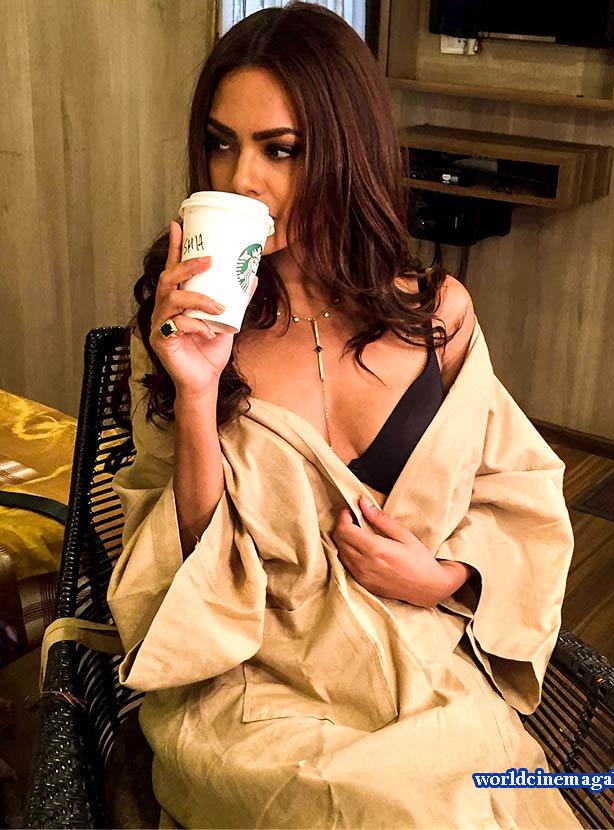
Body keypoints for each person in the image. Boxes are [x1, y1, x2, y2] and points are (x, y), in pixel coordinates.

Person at [108, 3, 580, 827]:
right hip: (254, 690)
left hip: (419, 666)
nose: (241, 180)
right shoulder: (184, 325)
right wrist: (196, 391)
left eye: (280, 149)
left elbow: (517, 488)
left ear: (346, 151)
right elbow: (177, 574)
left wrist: (444, 578)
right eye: (221, 144)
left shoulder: (437, 317)